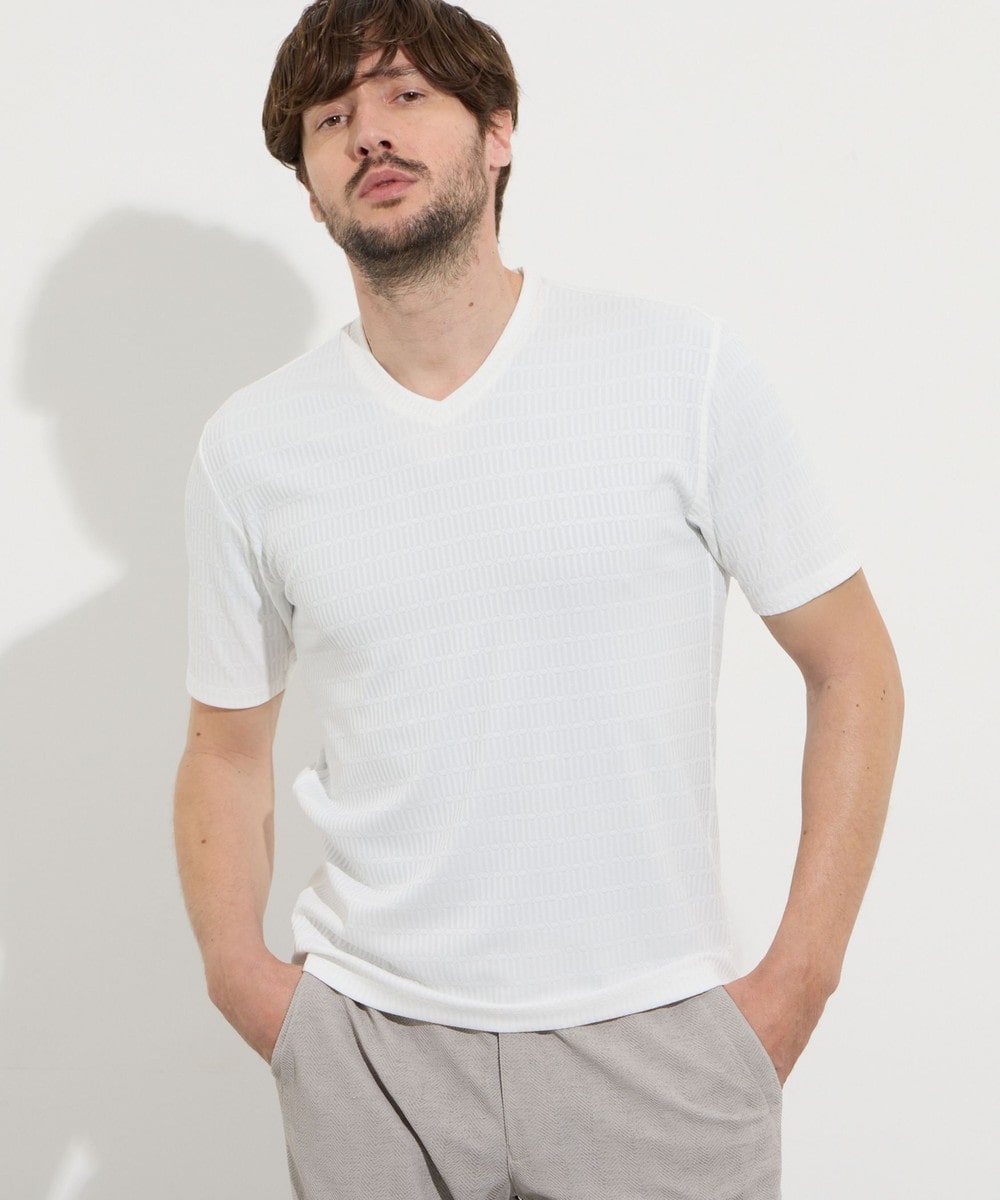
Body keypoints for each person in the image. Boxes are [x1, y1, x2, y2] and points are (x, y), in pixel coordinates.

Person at [173, 1, 904, 1197]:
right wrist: (242, 979)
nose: (369, 133)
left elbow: (853, 665)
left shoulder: (680, 373)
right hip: (370, 1051)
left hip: (657, 1043)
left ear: (498, 131)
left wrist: (796, 984)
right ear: (308, 186)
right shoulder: (252, 447)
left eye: (406, 95)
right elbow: (223, 746)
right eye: (331, 118)